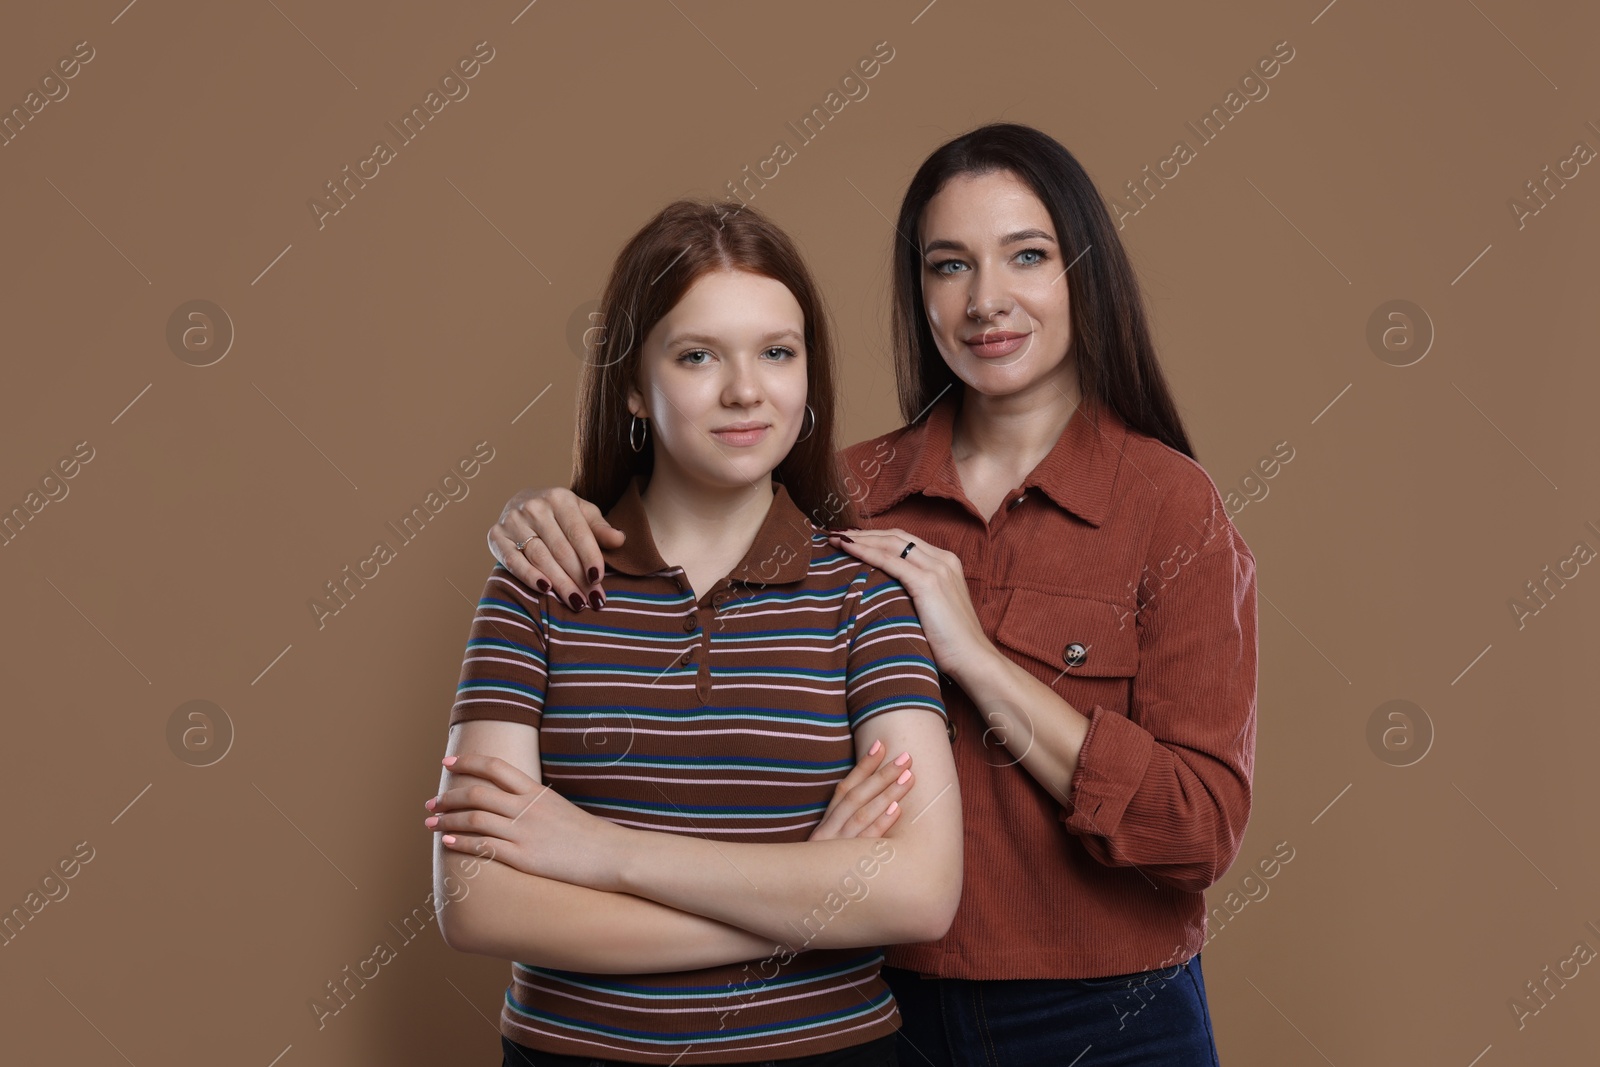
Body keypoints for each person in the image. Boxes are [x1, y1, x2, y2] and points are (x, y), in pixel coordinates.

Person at [480, 123, 1259, 1064]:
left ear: (1083, 273)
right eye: (948, 265)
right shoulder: (847, 491)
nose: (986, 300)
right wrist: (542, 511)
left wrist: (975, 658)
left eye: (1027, 255)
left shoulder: (1171, 507)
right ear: (917, 292)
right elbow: (692, 514)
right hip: (880, 1003)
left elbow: (1196, 830)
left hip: (1105, 1012)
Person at [429, 198, 964, 1066]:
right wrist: (798, 905)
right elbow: (480, 902)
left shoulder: (866, 596)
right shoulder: (537, 582)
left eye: (777, 353)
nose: (745, 389)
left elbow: (919, 891)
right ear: (635, 384)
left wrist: (599, 850)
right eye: (697, 355)